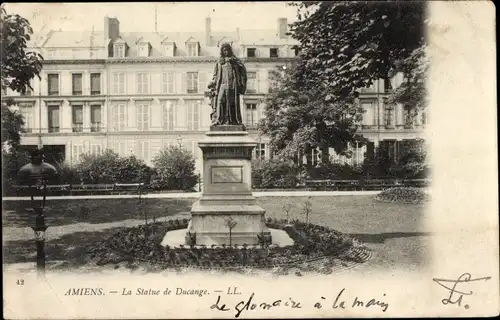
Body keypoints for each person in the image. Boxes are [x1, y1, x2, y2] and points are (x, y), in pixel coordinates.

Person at [208, 43, 247, 125]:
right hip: (222, 85)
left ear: (230, 50)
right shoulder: (219, 62)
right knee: (220, 102)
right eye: (224, 50)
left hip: (233, 84)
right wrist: (213, 83)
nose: (226, 51)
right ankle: (219, 120)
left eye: (227, 50)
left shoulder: (235, 61)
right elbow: (215, 75)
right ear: (222, 51)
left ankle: (234, 121)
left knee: (232, 103)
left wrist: (241, 84)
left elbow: (243, 71)